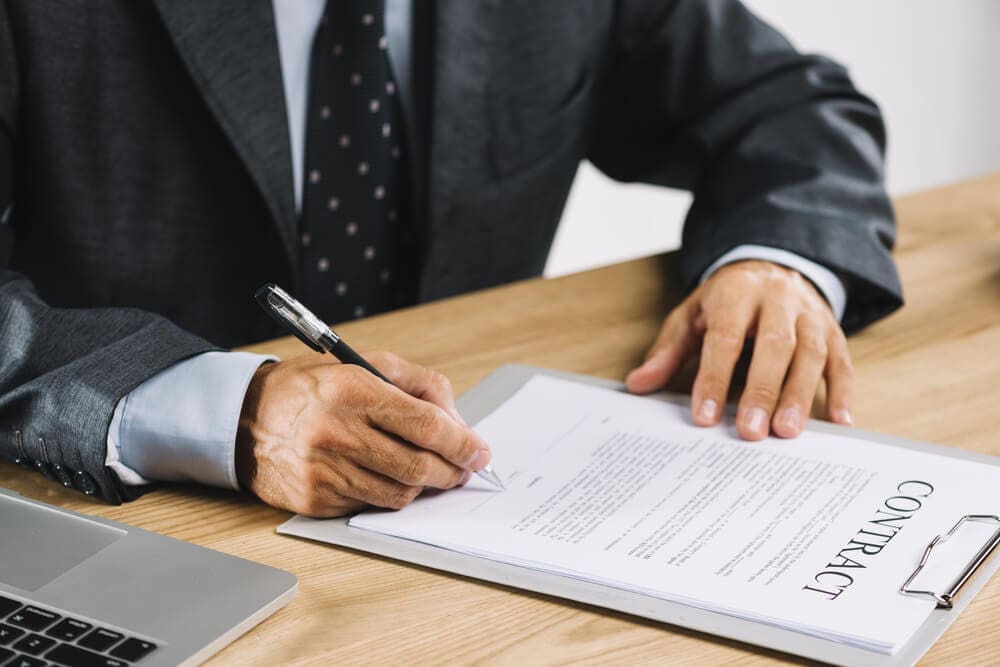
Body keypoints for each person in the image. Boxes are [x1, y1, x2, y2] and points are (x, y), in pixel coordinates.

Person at [0, 0, 902, 517]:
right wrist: (224, 413)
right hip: (128, 525)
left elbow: (791, 107)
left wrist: (774, 261)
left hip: (457, 534)